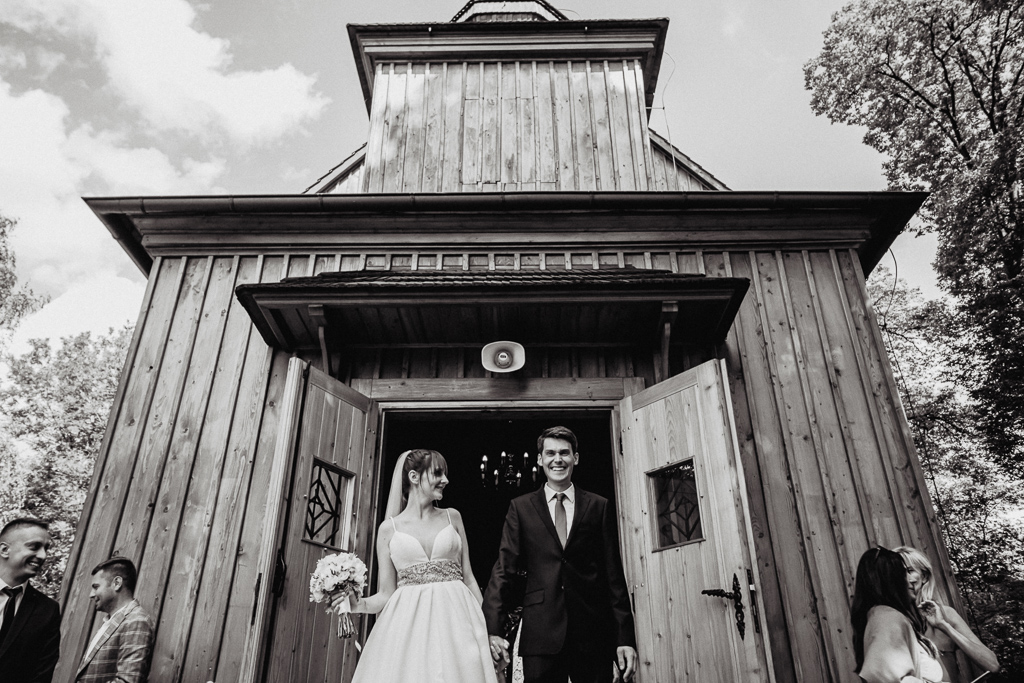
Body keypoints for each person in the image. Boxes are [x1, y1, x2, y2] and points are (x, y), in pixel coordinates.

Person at [483, 426, 637, 683]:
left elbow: (613, 576)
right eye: (550, 453)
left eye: (564, 453)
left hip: (592, 632)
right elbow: (504, 569)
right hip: (541, 631)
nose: (558, 459)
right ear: (539, 459)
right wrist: (492, 629)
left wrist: (625, 638)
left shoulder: (598, 506)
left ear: (575, 458)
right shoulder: (521, 508)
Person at [337, 449, 498, 683]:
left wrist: (490, 627)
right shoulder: (388, 529)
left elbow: (469, 578)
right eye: (438, 473)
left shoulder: (453, 517)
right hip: (409, 626)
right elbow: (386, 593)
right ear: (414, 477)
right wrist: (357, 604)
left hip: (458, 622)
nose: (445, 480)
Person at [895, 546, 1000, 678]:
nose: (904, 577)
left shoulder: (946, 614)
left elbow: (992, 665)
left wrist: (944, 626)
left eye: (910, 571)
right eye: (898, 572)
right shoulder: (892, 619)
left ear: (924, 577)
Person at [852, 546, 945, 683]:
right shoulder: (886, 618)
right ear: (890, 580)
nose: (909, 580)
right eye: (903, 573)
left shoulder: (886, 616)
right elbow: (890, 678)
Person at [0, 517, 61, 683]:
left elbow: (42, 674)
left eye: (46, 549)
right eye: (34, 547)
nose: (43, 556)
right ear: (4, 550)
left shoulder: (48, 610)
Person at [76, 556, 155, 682]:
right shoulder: (111, 621)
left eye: (96, 587)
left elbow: (127, 680)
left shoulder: (136, 621)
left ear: (117, 583)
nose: (91, 594)